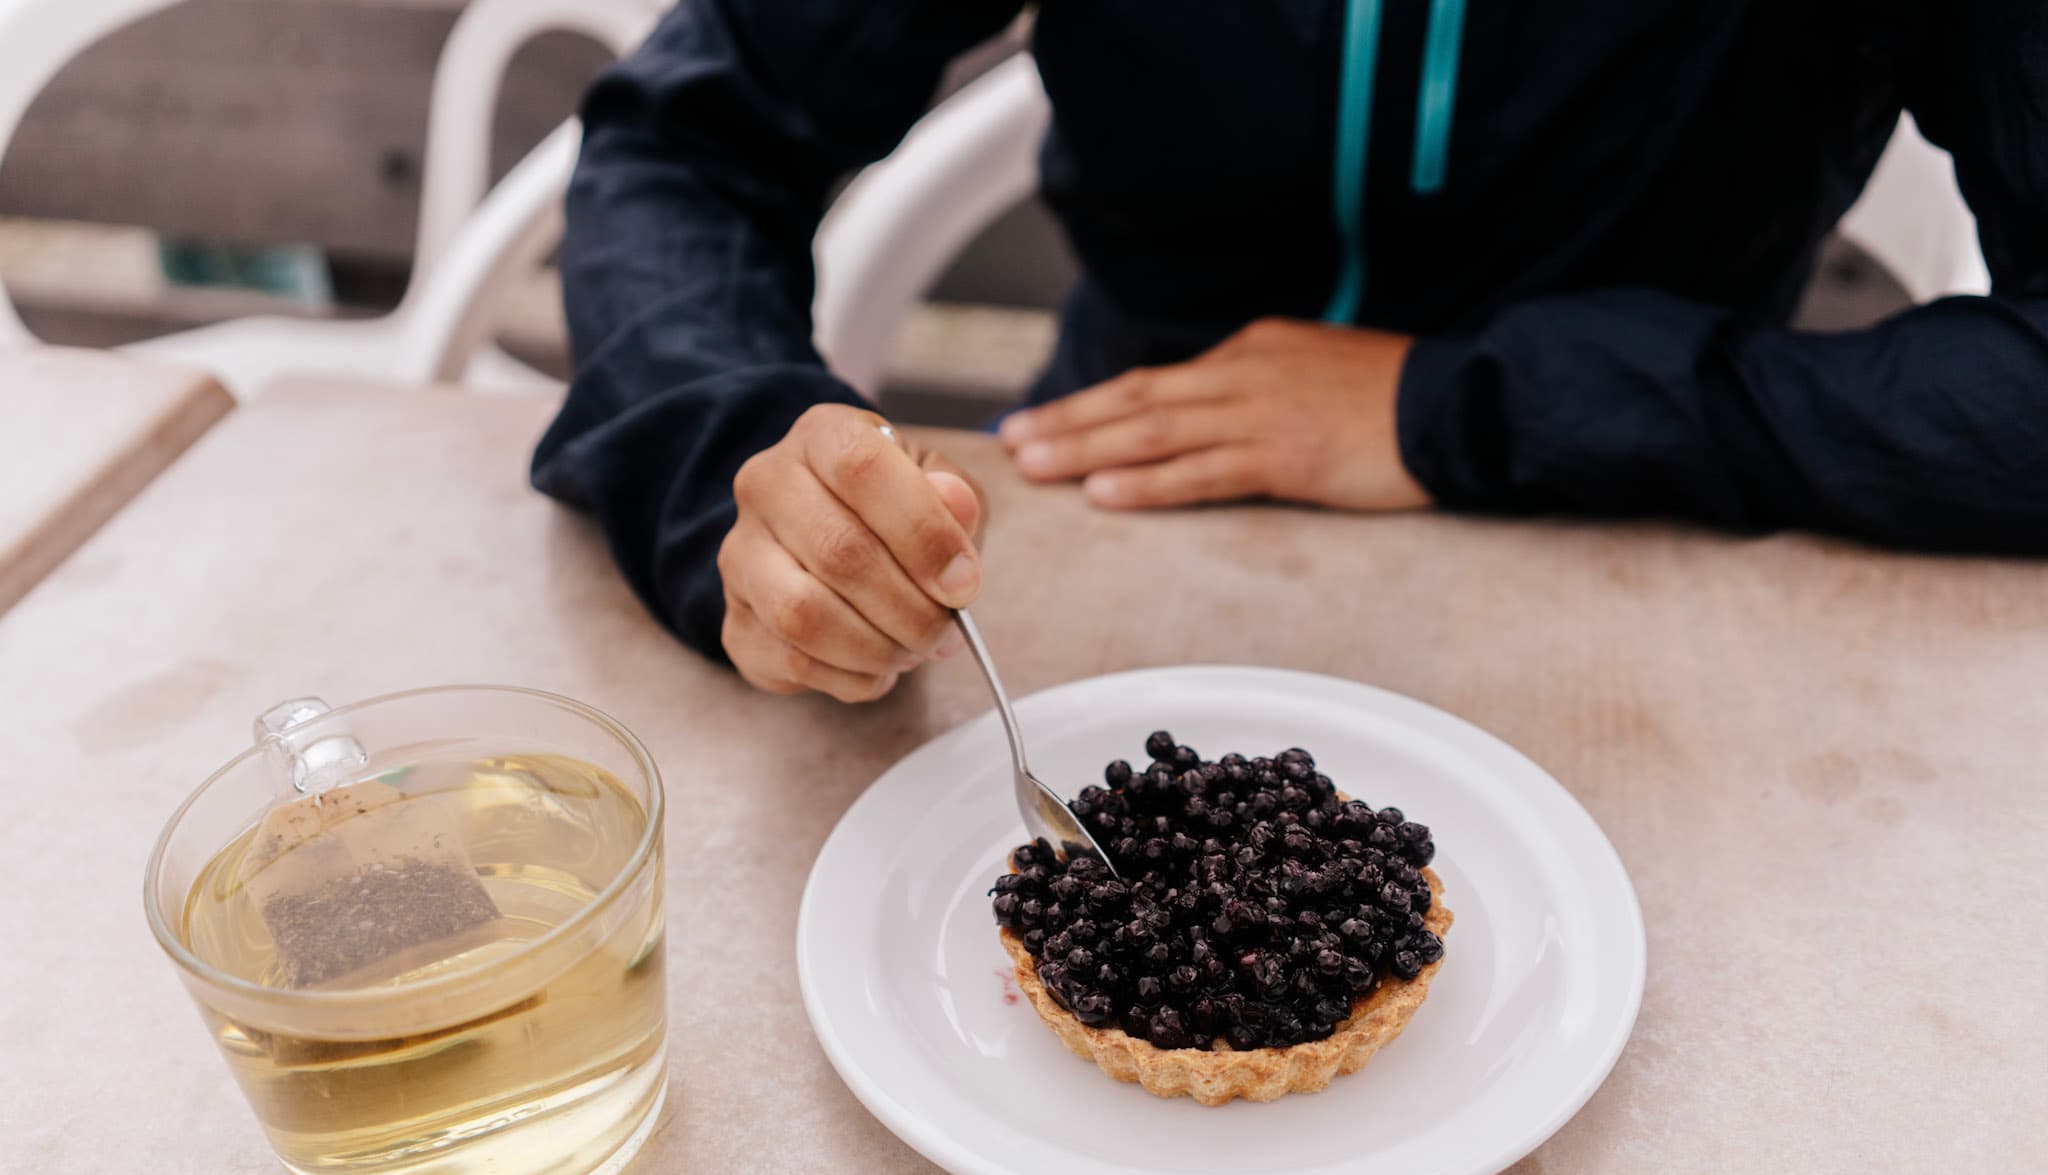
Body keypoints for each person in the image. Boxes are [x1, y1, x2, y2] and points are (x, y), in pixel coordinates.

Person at [533, 0, 2048, 703]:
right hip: (1106, 522)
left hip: (1649, 559)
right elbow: (685, 146)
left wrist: (1455, 407)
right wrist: (738, 455)